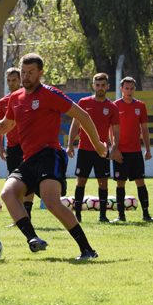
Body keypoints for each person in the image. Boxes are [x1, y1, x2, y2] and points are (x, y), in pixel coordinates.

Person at [0, 53, 107, 260]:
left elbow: (82, 116)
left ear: (40, 73)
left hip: (50, 154)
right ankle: (33, 238)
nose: (26, 76)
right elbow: (6, 125)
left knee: (51, 202)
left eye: (31, 72)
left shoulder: (50, 94)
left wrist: (97, 144)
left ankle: (87, 250)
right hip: (29, 159)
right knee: (7, 193)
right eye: (23, 72)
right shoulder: (15, 98)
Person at [66, 72, 122, 223]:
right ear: (93, 86)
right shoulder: (84, 103)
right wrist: (70, 145)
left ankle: (103, 216)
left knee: (103, 182)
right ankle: (77, 216)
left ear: (108, 86)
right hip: (84, 149)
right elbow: (75, 124)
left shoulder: (112, 107)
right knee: (80, 181)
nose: (100, 88)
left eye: (103, 85)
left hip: (102, 150)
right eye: (98, 85)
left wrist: (114, 148)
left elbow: (115, 131)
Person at [113, 77, 153, 222]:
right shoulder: (115, 106)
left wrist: (148, 149)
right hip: (120, 152)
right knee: (120, 183)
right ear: (121, 89)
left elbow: (144, 129)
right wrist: (113, 150)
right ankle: (121, 215)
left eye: (131, 88)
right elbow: (111, 130)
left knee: (140, 181)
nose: (129, 91)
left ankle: (146, 214)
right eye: (126, 88)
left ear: (134, 89)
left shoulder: (141, 106)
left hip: (136, 151)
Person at [0, 67, 35, 219]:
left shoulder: (28, 98)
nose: (11, 83)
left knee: (29, 180)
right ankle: (19, 218)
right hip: (12, 147)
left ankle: (28, 215)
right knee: (14, 181)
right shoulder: (3, 103)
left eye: (14, 80)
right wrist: (0, 147)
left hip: (28, 146)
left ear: (20, 80)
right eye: (9, 80)